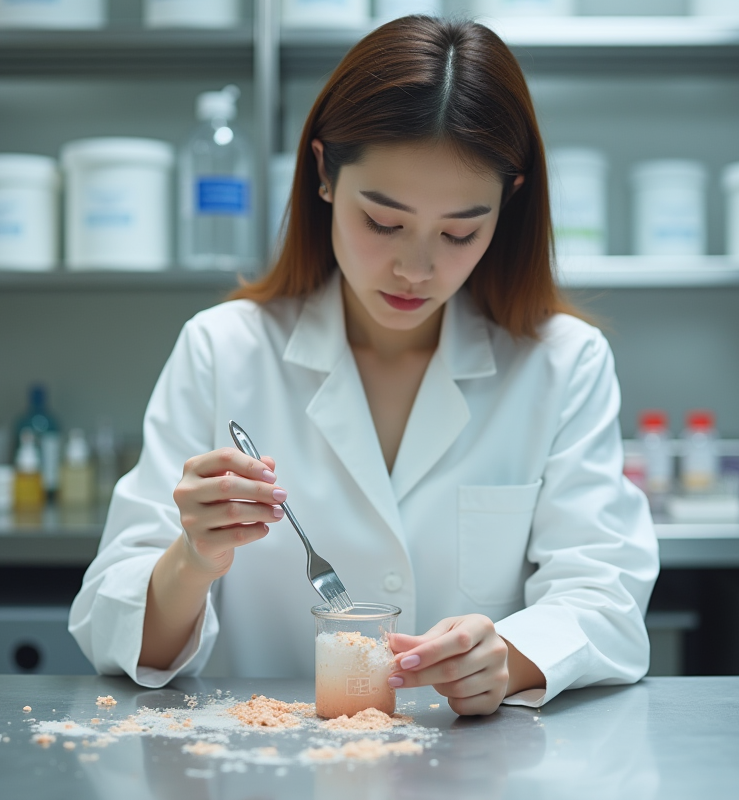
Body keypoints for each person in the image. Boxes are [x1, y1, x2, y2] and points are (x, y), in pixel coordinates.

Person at [70, 15, 658, 715]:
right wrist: (192, 559)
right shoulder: (223, 350)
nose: (416, 267)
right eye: (383, 222)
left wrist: (508, 658)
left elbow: (606, 598)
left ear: (510, 204)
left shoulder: (563, 364)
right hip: (263, 769)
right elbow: (111, 629)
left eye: (460, 231)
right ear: (323, 172)